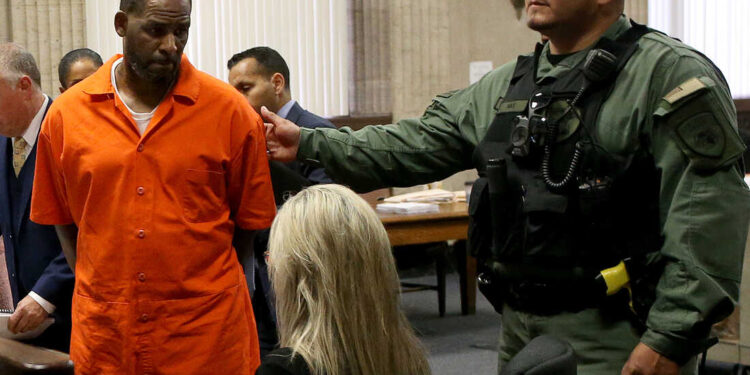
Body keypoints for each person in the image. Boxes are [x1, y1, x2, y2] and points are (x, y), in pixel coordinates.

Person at [263, 0, 750, 374]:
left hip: (618, 332)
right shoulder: (508, 87)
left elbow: (704, 221)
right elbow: (411, 144)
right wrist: (308, 141)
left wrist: (670, 338)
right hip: (519, 327)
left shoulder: (666, 75)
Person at [30, 0, 276, 373]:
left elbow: (248, 225)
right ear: (121, 24)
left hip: (206, 340)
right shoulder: (66, 116)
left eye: (181, 31)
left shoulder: (230, 112)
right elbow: (62, 219)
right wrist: (101, 285)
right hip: (108, 339)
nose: (171, 45)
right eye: (156, 30)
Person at [228, 46, 335, 357]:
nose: (237, 99)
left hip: (308, 278)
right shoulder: (247, 136)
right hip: (259, 274)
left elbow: (321, 208)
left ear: (276, 83)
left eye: (245, 88)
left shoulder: (317, 133)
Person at [258, 184, 431, 375]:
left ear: (301, 276)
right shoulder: (408, 356)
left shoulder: (283, 370)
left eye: (272, 256)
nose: (272, 266)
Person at [0, 43, 74, 353]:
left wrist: (44, 296)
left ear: (25, 86)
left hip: (73, 320)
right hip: (25, 329)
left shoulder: (71, 132)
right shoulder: (4, 140)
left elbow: (89, 232)